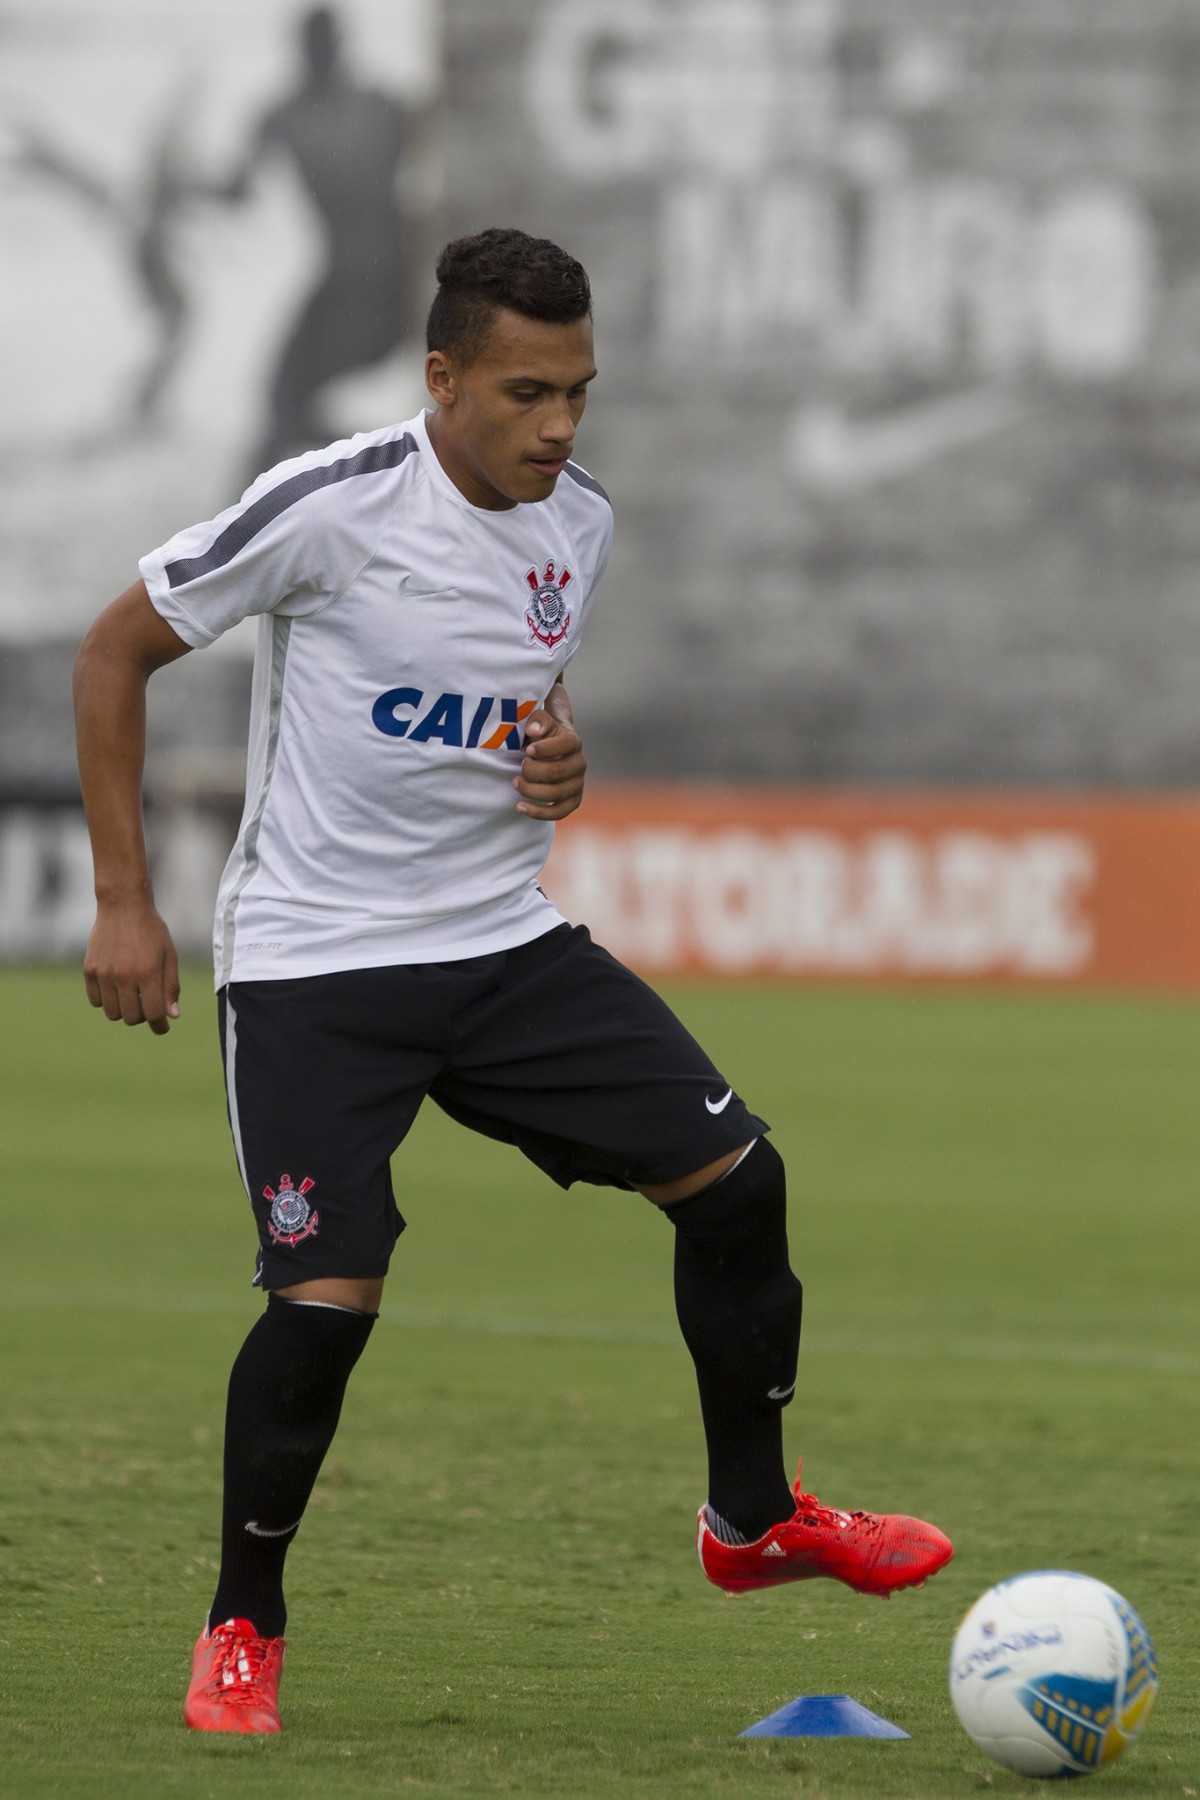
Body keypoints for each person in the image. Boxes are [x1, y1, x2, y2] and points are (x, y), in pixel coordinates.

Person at [73, 227, 953, 1737]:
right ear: (444, 378)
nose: (559, 426)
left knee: (739, 1186)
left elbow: (517, 705)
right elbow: (110, 652)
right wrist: (125, 903)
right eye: (529, 392)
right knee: (327, 1299)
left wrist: (555, 755)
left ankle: (752, 1524)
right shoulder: (329, 506)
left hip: (498, 942)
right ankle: (241, 1625)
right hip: (318, 966)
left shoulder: (578, 524)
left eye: (582, 394)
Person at [217, 5, 414, 473]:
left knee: (284, 406)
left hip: (379, 286)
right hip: (390, 279)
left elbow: (233, 194)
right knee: (284, 406)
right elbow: (235, 193)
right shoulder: (381, 107)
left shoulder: (294, 115)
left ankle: (242, 525)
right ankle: (378, 465)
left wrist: (183, 188)